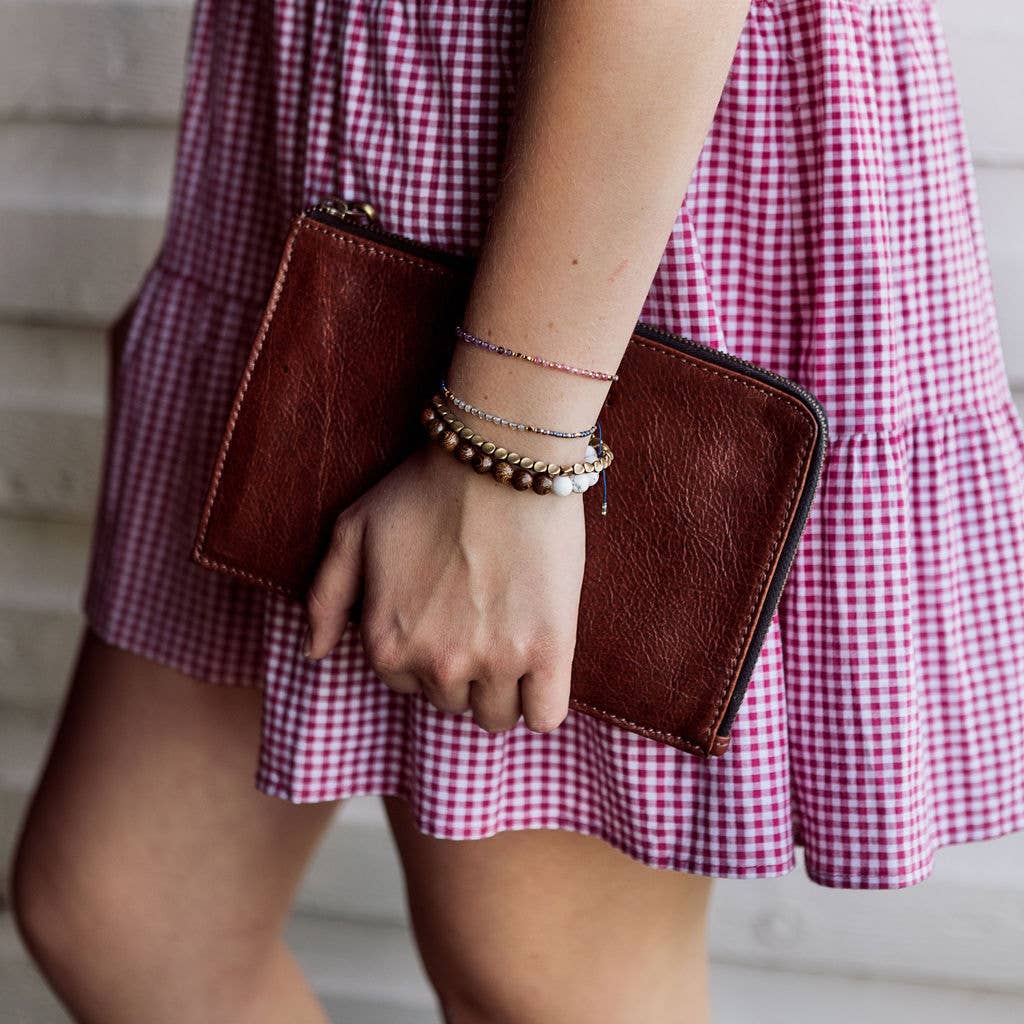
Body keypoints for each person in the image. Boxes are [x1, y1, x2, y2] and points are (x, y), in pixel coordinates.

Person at [10, 0, 1024, 1021]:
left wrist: (512, 449)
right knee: (126, 906)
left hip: (577, 183)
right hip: (348, 141)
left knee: (536, 979)